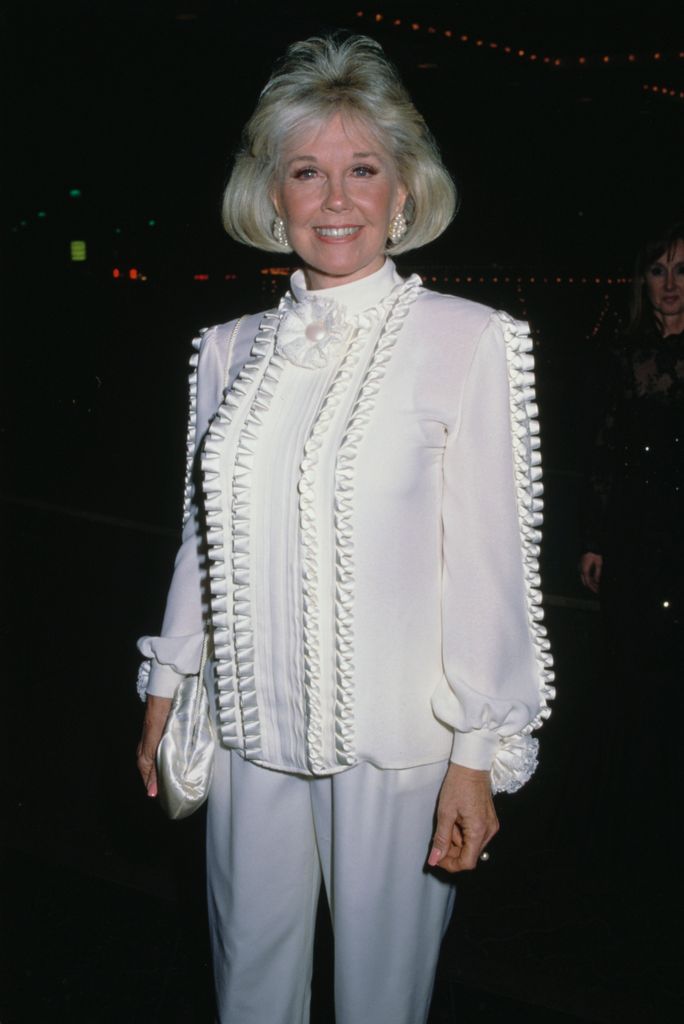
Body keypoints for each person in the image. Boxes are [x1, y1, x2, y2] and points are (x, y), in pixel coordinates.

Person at [135, 34, 555, 1024]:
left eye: (363, 169)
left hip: (404, 749)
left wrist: (477, 755)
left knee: (381, 1005)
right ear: (270, 197)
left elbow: (491, 567)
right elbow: (204, 534)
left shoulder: (469, 340)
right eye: (308, 172)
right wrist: (167, 680)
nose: (335, 197)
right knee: (249, 992)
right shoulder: (227, 350)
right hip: (248, 735)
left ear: (403, 191)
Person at [579, 224, 683, 853]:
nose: (670, 286)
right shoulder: (624, 351)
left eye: (682, 271)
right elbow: (606, 451)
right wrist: (594, 539)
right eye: (658, 271)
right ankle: (635, 817)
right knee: (629, 673)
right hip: (634, 536)